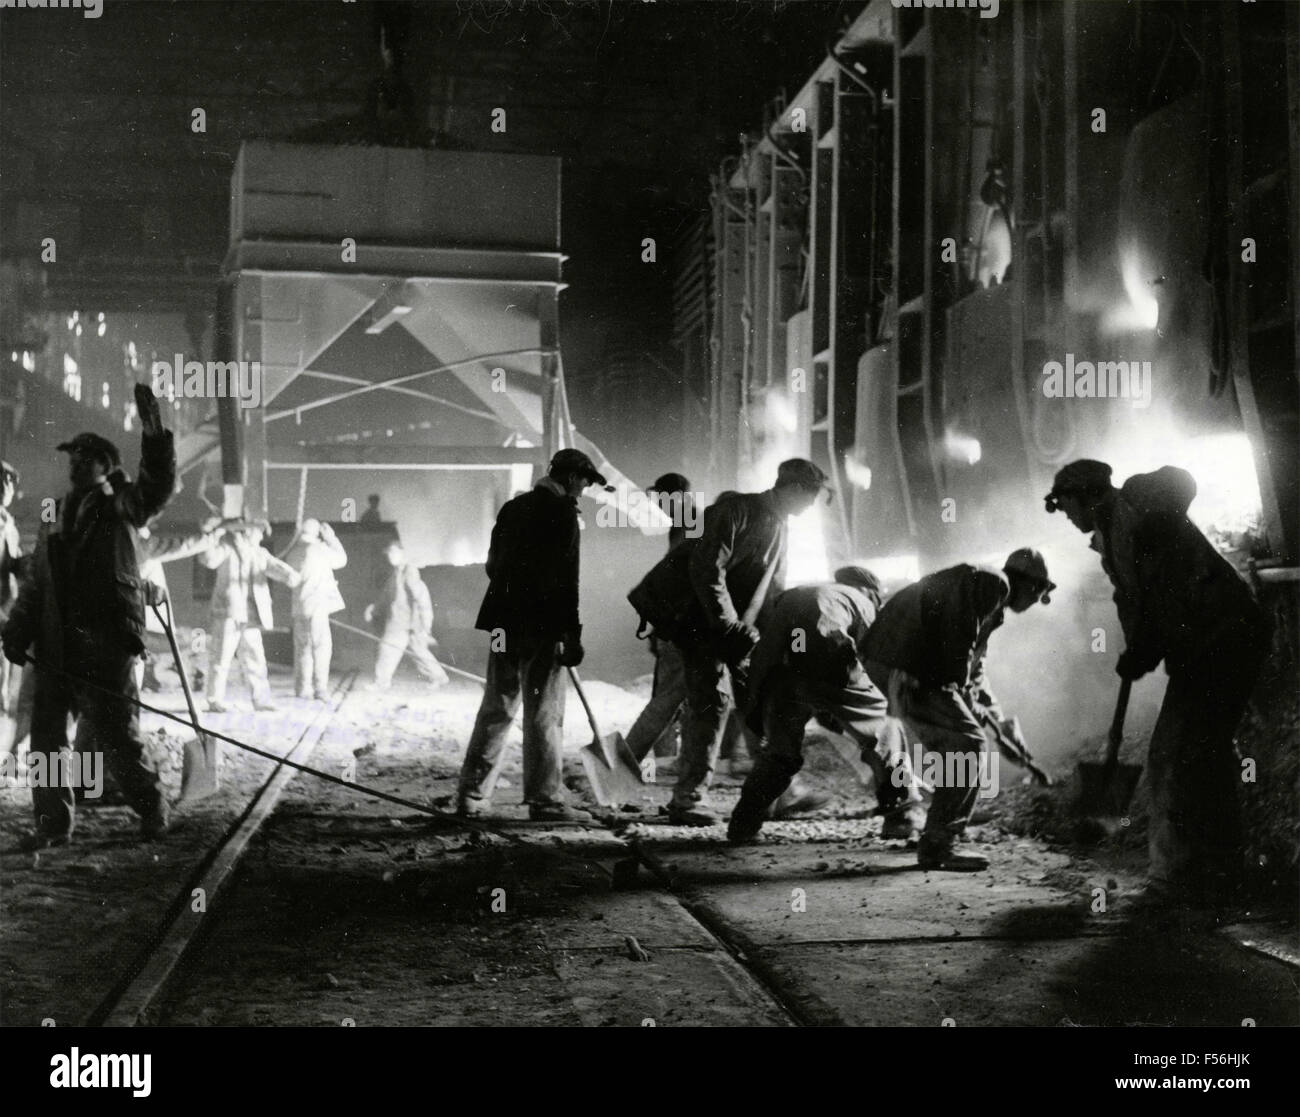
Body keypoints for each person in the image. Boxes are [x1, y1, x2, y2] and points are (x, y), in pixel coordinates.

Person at [1045, 459, 1270, 904]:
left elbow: (1162, 594)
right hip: (1214, 638)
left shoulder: (1135, 516)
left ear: (1087, 493)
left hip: (1221, 635)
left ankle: (1178, 875)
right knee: (1203, 752)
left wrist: (1144, 651)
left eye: (1066, 503)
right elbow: (1134, 600)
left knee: (1173, 753)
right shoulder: (1112, 535)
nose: (1066, 515)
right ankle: (1219, 866)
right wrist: (1136, 652)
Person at [1, 385, 176, 847]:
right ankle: (53, 824)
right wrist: (18, 630)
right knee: (47, 740)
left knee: (117, 738)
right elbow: (39, 581)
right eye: (73, 458)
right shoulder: (55, 514)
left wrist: (154, 433)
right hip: (57, 645)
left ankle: (151, 806)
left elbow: (154, 490)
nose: (76, 464)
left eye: (87, 458)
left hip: (105, 645)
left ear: (107, 466)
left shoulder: (120, 506)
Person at [629, 458, 830, 826]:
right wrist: (726, 624)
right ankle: (688, 800)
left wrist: (770, 636)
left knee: (756, 705)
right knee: (711, 706)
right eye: (812, 497)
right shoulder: (735, 511)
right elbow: (706, 568)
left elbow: (769, 588)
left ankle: (780, 791)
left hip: (735, 633)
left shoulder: (780, 525)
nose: (811, 506)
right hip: (701, 627)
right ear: (797, 488)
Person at [861, 548, 1054, 871]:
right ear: (1032, 585)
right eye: (1039, 594)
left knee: (958, 740)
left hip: (895, 661)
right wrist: (959, 685)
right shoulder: (994, 582)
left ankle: (945, 816)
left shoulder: (990, 598)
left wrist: (1000, 721)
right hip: (905, 664)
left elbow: (975, 668)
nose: (1035, 603)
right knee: (967, 742)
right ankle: (939, 843)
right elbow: (959, 636)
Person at [456, 448, 611, 822]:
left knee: (496, 705)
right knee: (543, 711)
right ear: (573, 478)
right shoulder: (563, 514)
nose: (585, 491)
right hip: (541, 626)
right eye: (586, 483)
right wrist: (571, 634)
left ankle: (471, 797)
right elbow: (566, 581)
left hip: (501, 623)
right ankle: (544, 799)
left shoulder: (514, 508)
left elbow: (493, 564)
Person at [729, 566, 924, 843]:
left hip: (780, 676)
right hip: (829, 659)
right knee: (887, 732)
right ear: (870, 591)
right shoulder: (862, 602)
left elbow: (768, 653)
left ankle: (743, 825)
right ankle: (903, 816)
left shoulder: (799, 594)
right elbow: (874, 660)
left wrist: (761, 709)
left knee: (779, 754)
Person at [624, 473, 694, 769]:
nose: (658, 505)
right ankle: (668, 758)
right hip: (679, 624)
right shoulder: (683, 523)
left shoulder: (691, 522)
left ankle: (632, 759)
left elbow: (683, 579)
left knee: (669, 696)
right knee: (675, 695)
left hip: (684, 625)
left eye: (661, 498)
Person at [199, 520, 299, 713]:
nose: (261, 536)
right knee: (221, 657)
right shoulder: (226, 547)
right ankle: (214, 700)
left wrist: (290, 575)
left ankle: (261, 699)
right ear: (247, 532)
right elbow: (208, 560)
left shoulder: (259, 552)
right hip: (228, 612)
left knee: (255, 657)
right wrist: (212, 536)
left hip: (251, 615)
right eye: (259, 532)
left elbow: (274, 566)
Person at [135, 514, 224, 692]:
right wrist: (210, 536)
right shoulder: (137, 542)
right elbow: (180, 546)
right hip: (138, 617)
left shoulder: (119, 538)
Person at [363, 539, 448, 689]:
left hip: (403, 622)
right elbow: (386, 597)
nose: (391, 556)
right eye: (389, 553)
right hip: (402, 621)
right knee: (419, 651)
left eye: (394, 552)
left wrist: (425, 625)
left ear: (402, 553)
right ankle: (439, 677)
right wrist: (373, 609)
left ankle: (381, 683)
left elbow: (421, 598)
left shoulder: (409, 571)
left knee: (387, 649)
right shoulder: (395, 573)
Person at [283, 518, 347, 699]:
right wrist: (331, 538)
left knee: (302, 649)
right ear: (317, 533)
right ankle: (320, 689)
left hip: (300, 608)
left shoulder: (293, 552)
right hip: (317, 608)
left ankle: (302, 689)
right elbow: (342, 560)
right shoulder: (319, 550)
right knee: (322, 648)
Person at [0, 461, 21, 715]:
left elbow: (13, 561)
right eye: (3, 481)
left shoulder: (9, 523)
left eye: (10, 482)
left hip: (7, 602)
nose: (8, 488)